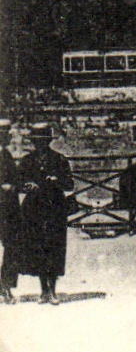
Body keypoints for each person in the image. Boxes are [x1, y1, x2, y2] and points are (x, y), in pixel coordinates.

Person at [15, 124, 73, 305]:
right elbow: (18, 183)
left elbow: (69, 184)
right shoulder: (27, 160)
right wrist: (28, 184)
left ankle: (53, 290)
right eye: (37, 142)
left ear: (48, 142)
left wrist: (57, 180)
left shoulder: (59, 159)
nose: (40, 145)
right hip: (34, 209)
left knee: (54, 248)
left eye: (43, 141)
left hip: (54, 207)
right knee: (38, 248)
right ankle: (43, 291)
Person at [0, 119, 19, 304]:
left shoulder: (6, 154)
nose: (8, 136)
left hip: (8, 209)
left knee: (11, 246)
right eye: (4, 133)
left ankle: (5, 286)